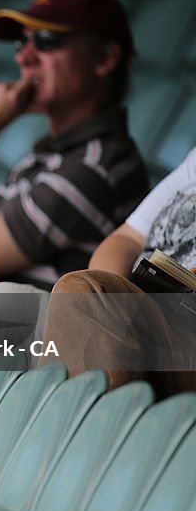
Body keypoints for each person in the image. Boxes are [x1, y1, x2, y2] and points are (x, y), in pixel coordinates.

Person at [0, 0, 149, 293]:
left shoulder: (95, 167)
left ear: (104, 59)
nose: (24, 58)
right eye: (23, 42)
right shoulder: (54, 155)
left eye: (48, 40)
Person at [39, 146, 196, 397]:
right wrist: (118, 308)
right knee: (4, 308)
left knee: (78, 291)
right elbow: (125, 239)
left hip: (183, 331)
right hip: (136, 306)